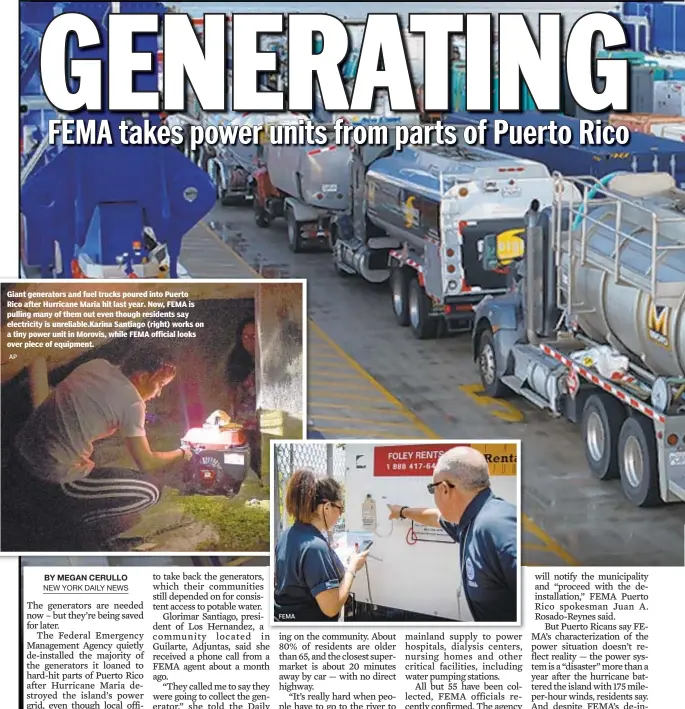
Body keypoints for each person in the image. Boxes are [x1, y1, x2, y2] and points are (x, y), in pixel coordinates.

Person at [13, 343, 192, 547]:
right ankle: (71, 534)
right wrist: (183, 452)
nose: (158, 393)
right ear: (142, 377)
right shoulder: (132, 404)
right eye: (160, 385)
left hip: (21, 450)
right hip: (50, 474)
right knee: (151, 491)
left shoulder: (96, 365)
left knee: (94, 455)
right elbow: (147, 463)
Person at [387, 446, 517, 622]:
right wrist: (402, 511)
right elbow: (435, 517)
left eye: (432, 489)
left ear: (445, 489)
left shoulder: (495, 529)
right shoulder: (471, 520)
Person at [274, 469, 368, 622]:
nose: (340, 515)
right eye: (340, 508)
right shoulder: (315, 548)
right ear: (326, 508)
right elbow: (331, 608)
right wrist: (352, 568)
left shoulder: (287, 534)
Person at [225, 317, 260, 477]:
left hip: (261, 421)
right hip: (243, 422)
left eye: (253, 336)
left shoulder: (267, 361)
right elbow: (232, 393)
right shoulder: (237, 360)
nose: (248, 340)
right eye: (245, 336)